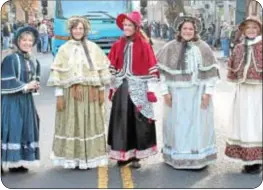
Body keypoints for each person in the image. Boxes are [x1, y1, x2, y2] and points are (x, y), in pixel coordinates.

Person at [47, 16, 111, 169]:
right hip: (71, 95)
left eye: (81, 28)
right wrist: (59, 95)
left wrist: (101, 91)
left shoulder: (93, 47)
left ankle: (90, 158)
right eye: (75, 28)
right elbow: (57, 72)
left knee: (90, 125)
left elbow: (101, 70)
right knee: (73, 125)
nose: (78, 31)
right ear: (71, 30)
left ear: (85, 30)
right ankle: (74, 159)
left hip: (90, 93)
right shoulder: (64, 49)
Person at [156, 15, 220, 170]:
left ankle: (198, 157)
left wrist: (207, 93)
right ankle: (178, 156)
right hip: (176, 94)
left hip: (198, 93)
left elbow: (211, 74)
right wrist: (165, 93)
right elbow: (162, 74)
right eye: (185, 28)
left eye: (191, 29)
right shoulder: (169, 47)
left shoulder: (204, 47)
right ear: (179, 29)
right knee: (178, 125)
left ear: (195, 30)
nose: (187, 31)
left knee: (198, 126)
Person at [107, 11, 158, 169]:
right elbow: (111, 65)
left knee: (139, 121)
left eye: (130, 25)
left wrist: (150, 89)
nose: (126, 28)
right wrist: (111, 84)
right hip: (122, 87)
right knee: (121, 120)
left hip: (139, 87)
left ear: (136, 27)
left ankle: (137, 155)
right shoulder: (118, 44)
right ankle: (122, 154)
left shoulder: (144, 44)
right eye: (125, 25)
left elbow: (151, 66)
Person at [225, 16, 262, 174]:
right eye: (248, 28)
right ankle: (249, 160)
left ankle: (257, 159)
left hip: (259, 90)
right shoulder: (239, 47)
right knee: (245, 122)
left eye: (254, 27)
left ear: (259, 29)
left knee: (257, 122)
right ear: (243, 30)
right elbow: (233, 66)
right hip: (243, 90)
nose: (251, 30)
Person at [1, 26, 41, 173]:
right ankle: (6, 160)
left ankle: (17, 161)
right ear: (17, 41)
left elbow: (33, 77)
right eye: (24, 40)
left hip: (26, 101)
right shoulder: (11, 58)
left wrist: (34, 85)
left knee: (24, 129)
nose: (27, 43)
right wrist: (26, 86)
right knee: (11, 128)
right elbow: (7, 81)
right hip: (12, 102)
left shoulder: (32, 60)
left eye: (30, 40)